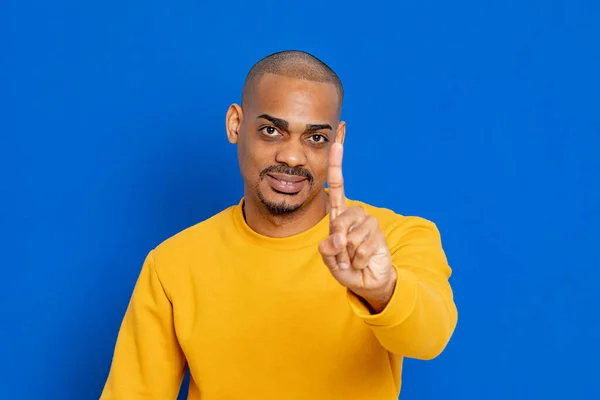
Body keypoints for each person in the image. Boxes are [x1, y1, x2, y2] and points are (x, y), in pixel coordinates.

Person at [100, 50, 458, 400]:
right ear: (235, 124)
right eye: (272, 131)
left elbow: (430, 339)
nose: (291, 156)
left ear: (339, 139)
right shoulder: (172, 264)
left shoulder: (394, 239)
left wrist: (382, 290)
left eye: (316, 138)